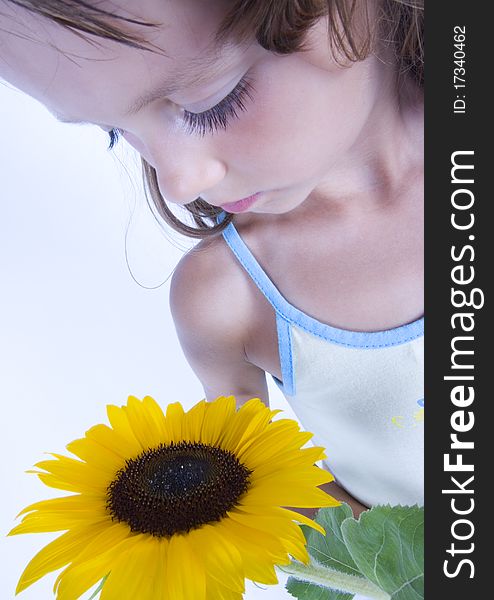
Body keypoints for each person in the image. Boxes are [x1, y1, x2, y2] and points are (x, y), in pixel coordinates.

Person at [0, 0, 424, 517]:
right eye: (113, 131)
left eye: (209, 105)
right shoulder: (228, 298)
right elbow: (266, 496)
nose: (177, 182)